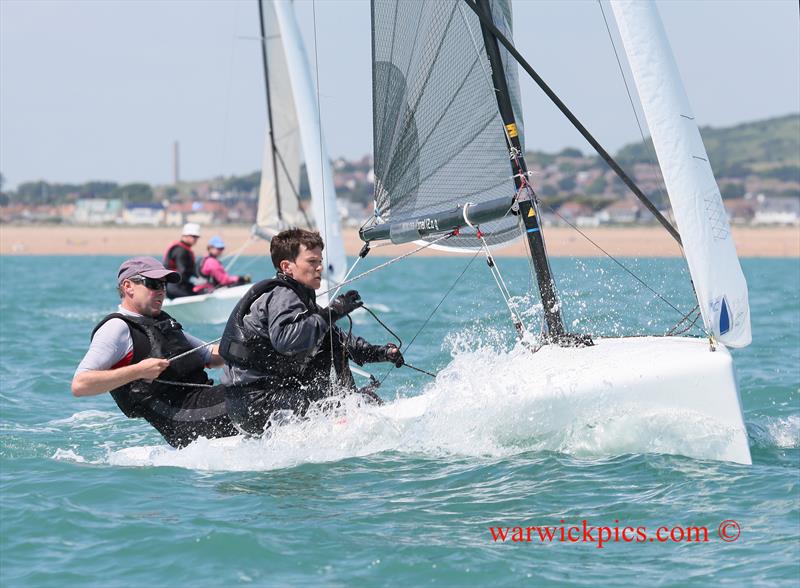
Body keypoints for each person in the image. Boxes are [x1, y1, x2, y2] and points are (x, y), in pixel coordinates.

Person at [219, 228, 404, 436]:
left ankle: (348, 405)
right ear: (287, 267)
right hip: (256, 405)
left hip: (256, 404)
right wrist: (332, 313)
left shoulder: (299, 297)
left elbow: (337, 340)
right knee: (342, 389)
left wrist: (382, 353)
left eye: (320, 261)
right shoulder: (283, 295)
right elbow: (287, 340)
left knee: (330, 343)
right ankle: (348, 410)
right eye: (312, 261)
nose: (319, 268)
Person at [72, 256, 238, 448]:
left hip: (205, 402)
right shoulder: (116, 328)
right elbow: (80, 384)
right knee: (260, 392)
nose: (161, 291)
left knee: (267, 378)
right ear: (128, 287)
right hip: (186, 421)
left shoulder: (160, 321)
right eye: (153, 284)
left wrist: (256, 347)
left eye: (163, 285)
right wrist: (139, 371)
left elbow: (210, 355)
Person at [163, 222, 201, 299]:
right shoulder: (181, 251)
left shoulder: (183, 249)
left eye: (196, 237)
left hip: (175, 286)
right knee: (200, 293)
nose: (195, 239)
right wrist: (194, 280)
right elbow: (182, 272)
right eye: (193, 236)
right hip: (175, 287)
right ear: (185, 236)